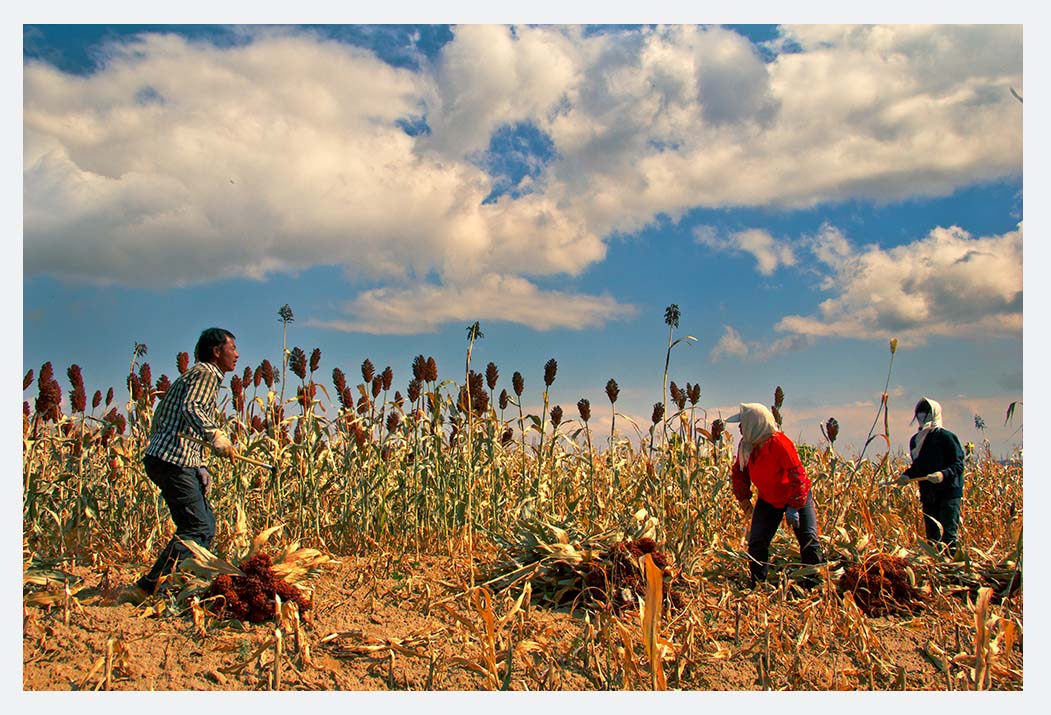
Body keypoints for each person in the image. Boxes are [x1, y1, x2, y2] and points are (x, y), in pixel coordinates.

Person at [114, 328, 239, 605]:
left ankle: (176, 583)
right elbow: (192, 408)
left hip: (174, 459)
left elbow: (171, 420)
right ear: (217, 351)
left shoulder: (195, 375)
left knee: (204, 525)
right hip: (172, 460)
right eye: (233, 347)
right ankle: (148, 589)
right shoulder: (206, 373)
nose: (237, 354)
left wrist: (200, 465)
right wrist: (215, 434)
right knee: (196, 528)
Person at [729, 403, 824, 587]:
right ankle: (758, 584)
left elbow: (798, 477)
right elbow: (740, 472)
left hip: (796, 497)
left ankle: (815, 585)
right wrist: (744, 498)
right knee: (757, 542)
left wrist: (795, 506)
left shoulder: (780, 443)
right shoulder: (746, 446)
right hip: (768, 499)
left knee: (809, 540)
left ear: (754, 424)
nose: (740, 427)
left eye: (742, 423)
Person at [894, 397, 965, 555]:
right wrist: (906, 476)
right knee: (932, 536)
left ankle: (950, 568)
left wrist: (943, 474)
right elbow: (918, 467)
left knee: (948, 535)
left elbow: (958, 465)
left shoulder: (947, 437)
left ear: (934, 414)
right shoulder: (916, 440)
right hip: (928, 493)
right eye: (920, 412)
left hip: (948, 493)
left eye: (926, 412)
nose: (922, 416)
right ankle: (936, 567)